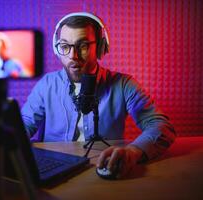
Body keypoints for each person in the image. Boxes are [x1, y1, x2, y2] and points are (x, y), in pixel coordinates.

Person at [21, 12, 176, 178]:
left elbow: (161, 126)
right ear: (57, 48)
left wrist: (133, 152)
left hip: (102, 168)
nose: (73, 56)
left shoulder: (123, 84)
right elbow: (24, 124)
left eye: (83, 46)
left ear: (101, 48)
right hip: (54, 170)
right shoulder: (47, 84)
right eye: (65, 46)